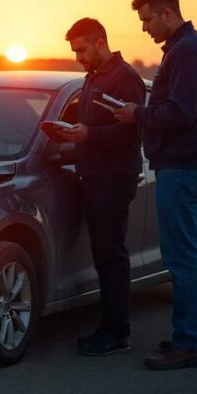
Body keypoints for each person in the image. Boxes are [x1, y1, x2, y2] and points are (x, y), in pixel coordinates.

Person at [113, 0, 197, 370]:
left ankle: (187, 343)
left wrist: (135, 115)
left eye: (147, 20)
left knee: (182, 258)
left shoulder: (187, 51)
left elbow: (180, 113)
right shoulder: (187, 48)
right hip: (186, 164)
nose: (144, 28)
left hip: (181, 166)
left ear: (168, 13)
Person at [56, 18, 146, 356]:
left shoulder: (126, 78)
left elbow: (130, 134)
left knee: (111, 256)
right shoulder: (92, 77)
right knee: (102, 255)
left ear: (100, 41)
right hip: (94, 176)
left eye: (81, 49)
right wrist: (70, 132)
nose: (78, 56)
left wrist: (88, 135)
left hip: (114, 178)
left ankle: (116, 333)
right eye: (74, 51)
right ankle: (108, 328)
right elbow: (93, 125)